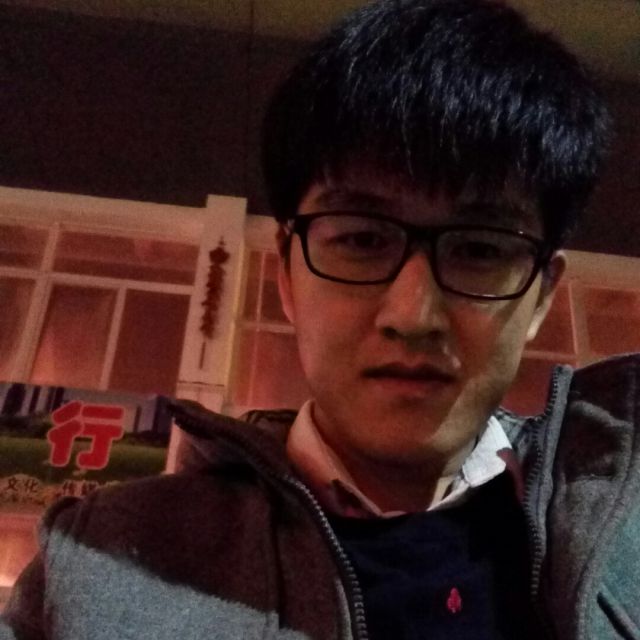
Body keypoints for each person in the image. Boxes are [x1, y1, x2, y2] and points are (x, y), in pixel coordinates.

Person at [3, 0, 636, 639]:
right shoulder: (101, 567)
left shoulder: (623, 549)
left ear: (542, 295)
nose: (414, 316)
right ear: (286, 273)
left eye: (479, 250)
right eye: (362, 240)